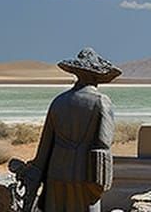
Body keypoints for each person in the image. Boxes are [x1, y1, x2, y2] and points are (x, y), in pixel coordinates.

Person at [17, 47, 120, 212]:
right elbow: (103, 144)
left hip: (56, 173)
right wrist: (99, 184)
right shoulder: (101, 102)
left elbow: (45, 146)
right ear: (96, 75)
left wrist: (36, 174)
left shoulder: (58, 101)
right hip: (85, 177)